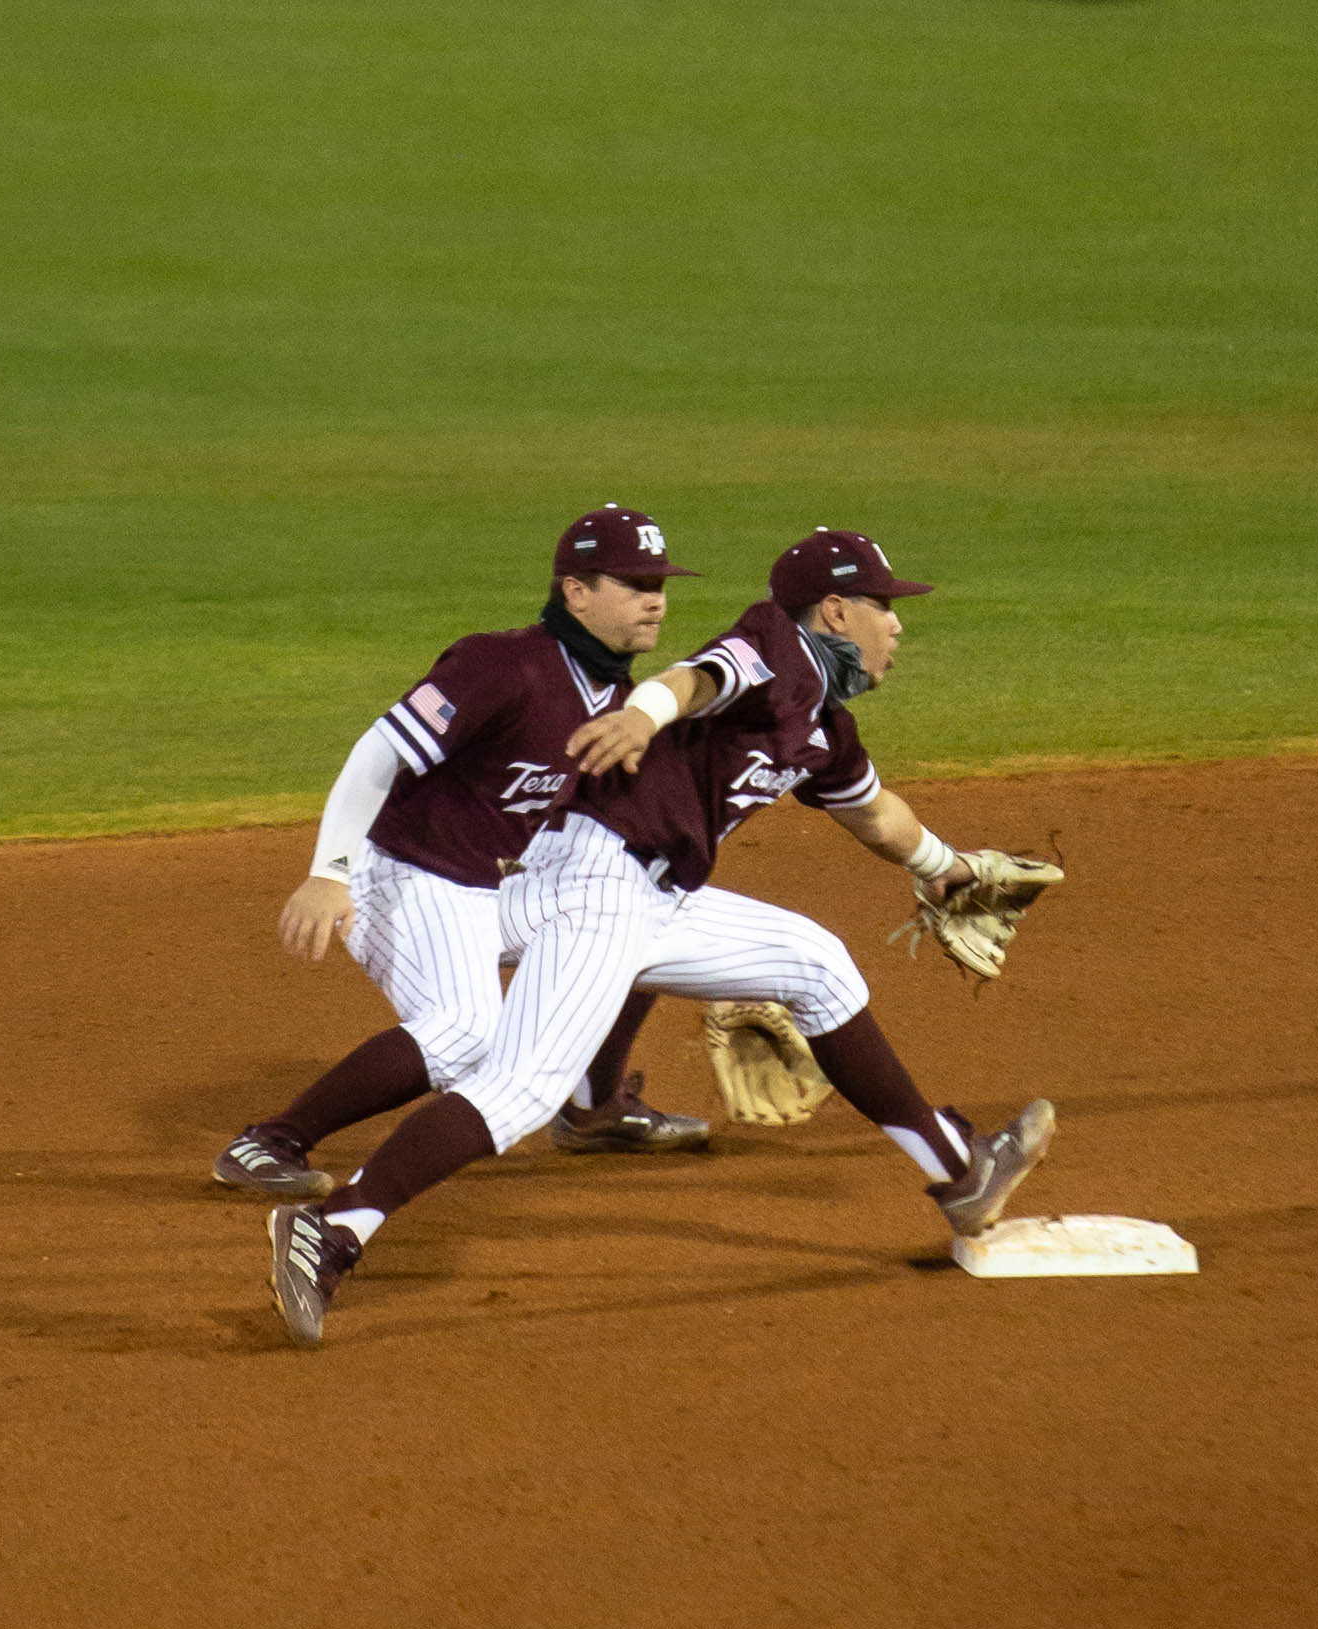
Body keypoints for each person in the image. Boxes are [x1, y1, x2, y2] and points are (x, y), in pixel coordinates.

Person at [265, 527, 1054, 1346]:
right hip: (596, 883)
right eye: (884, 607)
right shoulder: (775, 649)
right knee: (519, 1085)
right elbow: (697, 678)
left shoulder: (823, 726)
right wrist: (643, 716)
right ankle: (334, 1227)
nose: (897, 626)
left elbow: (879, 817)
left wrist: (945, 868)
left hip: (651, 895)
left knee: (819, 964)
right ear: (834, 610)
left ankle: (958, 1171)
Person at [211, 505, 712, 1203]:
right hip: (408, 875)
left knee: (640, 916)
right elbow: (377, 753)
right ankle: (269, 1140)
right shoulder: (501, 664)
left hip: (492, 888)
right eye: (633, 583)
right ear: (575, 591)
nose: (655, 599)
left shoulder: (619, 700)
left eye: (659, 582)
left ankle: (594, 1105)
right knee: (467, 1032)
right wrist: (329, 874)